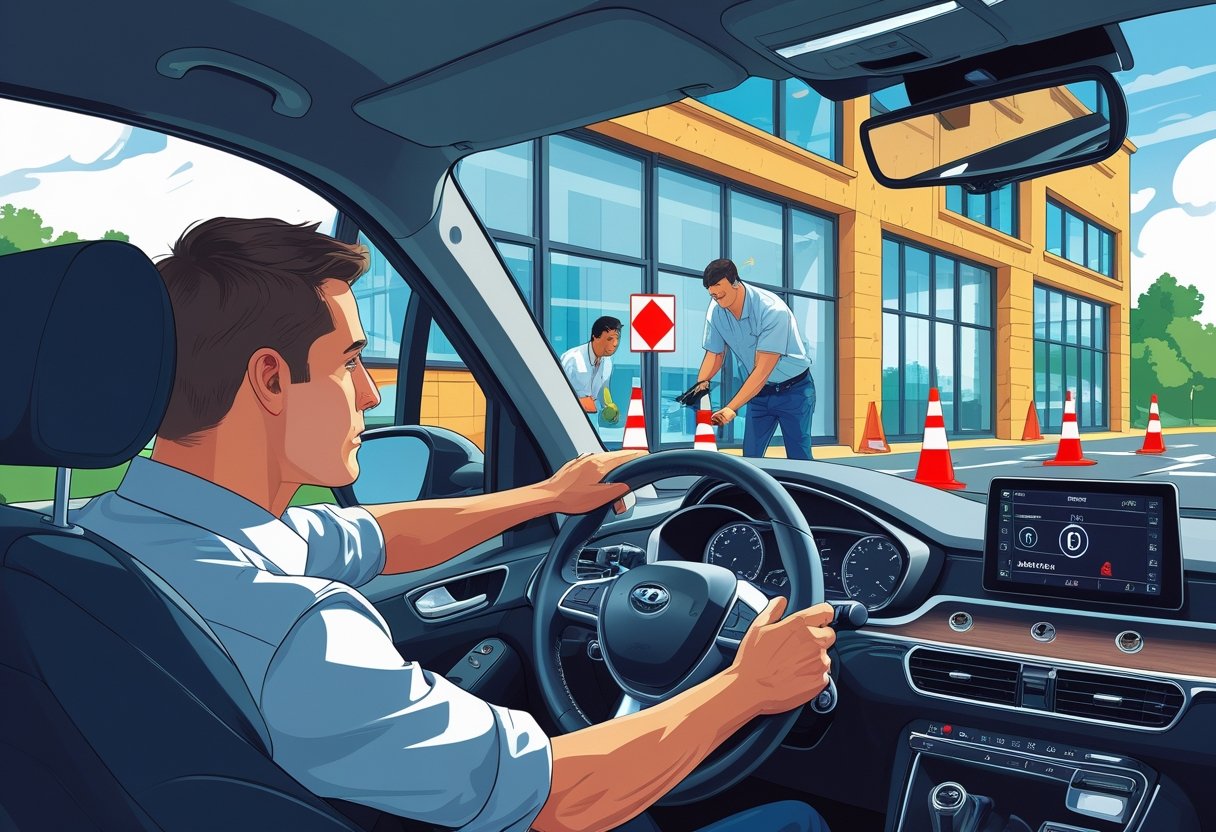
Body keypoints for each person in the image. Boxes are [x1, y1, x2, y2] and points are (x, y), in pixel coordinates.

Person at [72, 218, 834, 832]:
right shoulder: (297, 633)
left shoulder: (99, 534)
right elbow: (559, 799)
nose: (371, 395)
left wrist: (545, 497)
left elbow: (379, 537)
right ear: (271, 379)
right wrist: (749, 686)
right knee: (798, 820)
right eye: (348, 362)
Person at [692, 258, 816, 460]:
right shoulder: (716, 311)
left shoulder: (772, 310)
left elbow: (762, 369)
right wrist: (700, 386)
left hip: (794, 392)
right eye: (713, 295)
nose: (717, 299)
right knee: (750, 457)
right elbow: (715, 354)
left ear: (735, 283)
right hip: (759, 394)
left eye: (721, 294)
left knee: (799, 457)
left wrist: (731, 407)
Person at [561, 315, 622, 423]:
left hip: (591, 421)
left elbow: (603, 389)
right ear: (595, 337)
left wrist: (609, 407)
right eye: (610, 339)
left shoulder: (607, 361)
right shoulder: (573, 358)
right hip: (568, 420)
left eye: (617, 338)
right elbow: (558, 394)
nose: (615, 343)